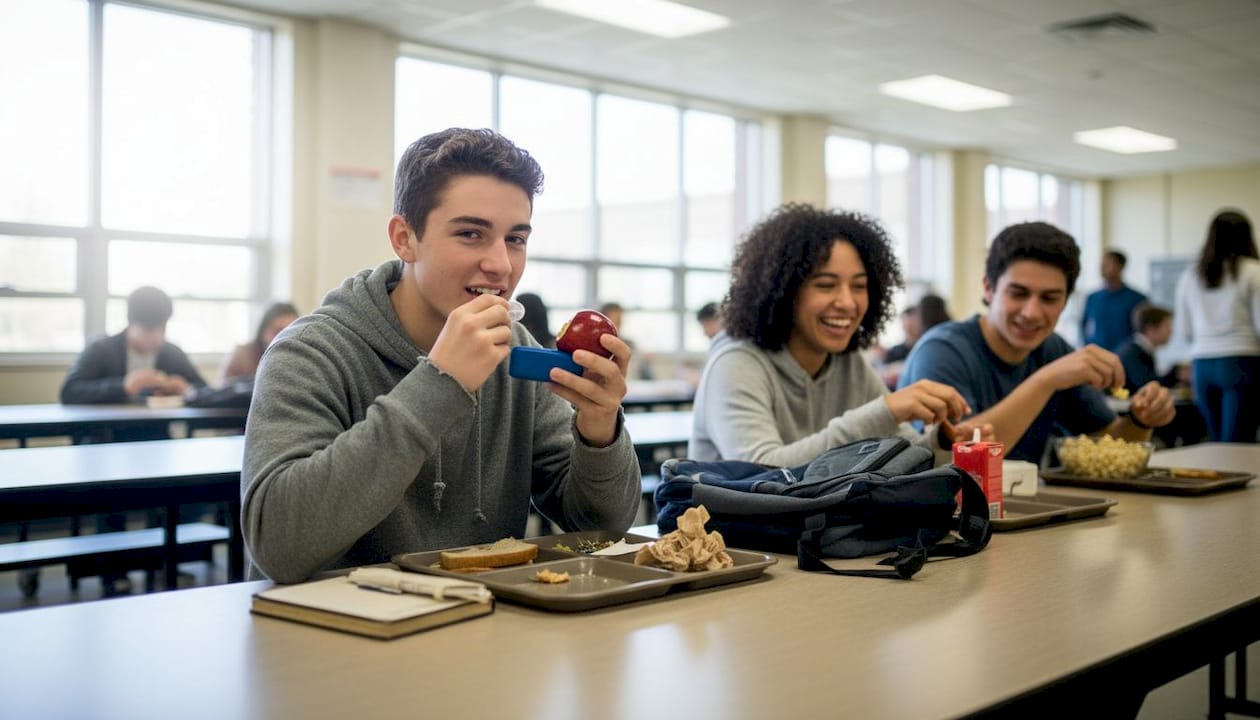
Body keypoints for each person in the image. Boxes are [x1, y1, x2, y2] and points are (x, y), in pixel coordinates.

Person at [241, 128, 641, 584]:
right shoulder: (310, 353)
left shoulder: (515, 348)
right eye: (471, 233)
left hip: (482, 627)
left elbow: (600, 528)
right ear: (404, 238)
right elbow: (279, 546)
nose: (501, 265)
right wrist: (440, 382)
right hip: (336, 641)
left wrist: (599, 429)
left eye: (515, 238)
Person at [688, 203, 988, 467]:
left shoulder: (850, 363)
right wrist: (882, 413)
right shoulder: (735, 364)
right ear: (783, 292)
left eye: (859, 286)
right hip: (723, 532)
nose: (847, 302)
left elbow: (903, 454)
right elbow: (763, 471)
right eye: (826, 285)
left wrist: (942, 444)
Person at [899, 222, 1176, 463]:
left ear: (1066, 301)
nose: (1032, 312)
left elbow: (1110, 445)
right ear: (988, 288)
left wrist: (1141, 419)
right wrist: (1047, 380)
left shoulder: (1052, 349)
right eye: (1018, 293)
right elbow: (954, 455)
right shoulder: (942, 351)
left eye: (1049, 298)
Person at [1174, 209, 1260, 443]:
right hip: (1242, 363)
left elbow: (1184, 330)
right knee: (1239, 442)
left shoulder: (1191, 276)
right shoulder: (1253, 271)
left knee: (1215, 442)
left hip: (1202, 365)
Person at [61, 285, 206, 414]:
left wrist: (186, 389)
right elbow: (70, 392)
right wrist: (124, 386)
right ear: (130, 323)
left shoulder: (172, 353)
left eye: (162, 328)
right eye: (149, 330)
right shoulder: (100, 349)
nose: (157, 337)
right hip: (105, 436)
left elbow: (206, 391)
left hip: (156, 436)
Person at [217, 302, 299, 386]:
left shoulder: (300, 359)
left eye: (289, 332)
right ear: (263, 331)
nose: (283, 338)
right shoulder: (242, 356)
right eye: (277, 331)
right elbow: (222, 391)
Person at [1080, 250, 1147, 352]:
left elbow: (1144, 334)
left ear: (1120, 267)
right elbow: (1084, 326)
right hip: (1097, 356)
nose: (1102, 268)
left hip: (1126, 359)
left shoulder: (1137, 299)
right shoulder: (1093, 298)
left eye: (1107, 264)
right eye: (1101, 264)